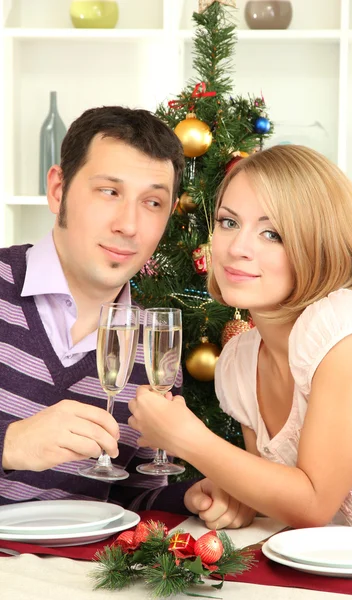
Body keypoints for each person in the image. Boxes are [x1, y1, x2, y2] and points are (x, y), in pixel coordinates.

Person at [129, 144, 352, 530]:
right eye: (228, 222)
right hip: (333, 580)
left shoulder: (346, 329)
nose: (237, 248)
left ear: (319, 243)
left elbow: (314, 503)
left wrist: (187, 438)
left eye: (272, 233)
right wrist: (235, 499)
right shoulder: (239, 361)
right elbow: (283, 505)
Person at [0, 106, 213, 516]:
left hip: (77, 575)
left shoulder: (154, 345)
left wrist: (187, 498)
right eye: (109, 192)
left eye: (152, 202)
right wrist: (10, 444)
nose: (128, 225)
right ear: (58, 189)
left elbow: (132, 497)